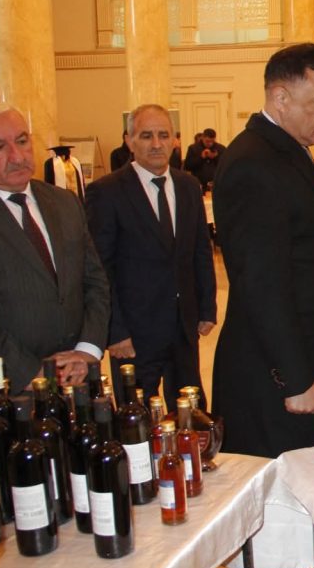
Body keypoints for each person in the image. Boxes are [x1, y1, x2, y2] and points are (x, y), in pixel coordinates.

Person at [211, 43, 314, 463]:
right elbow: (261, 282)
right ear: (281, 97)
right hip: (277, 379)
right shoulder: (253, 163)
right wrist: (294, 377)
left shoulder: (286, 151)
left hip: (312, 358)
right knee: (282, 487)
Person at [85, 104, 217, 412]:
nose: (156, 144)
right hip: (134, 334)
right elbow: (100, 269)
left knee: (191, 411)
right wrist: (114, 330)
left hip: (182, 328)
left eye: (163, 135)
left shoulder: (187, 186)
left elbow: (200, 249)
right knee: (138, 416)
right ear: (129, 141)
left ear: (175, 140)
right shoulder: (106, 192)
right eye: (146, 136)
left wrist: (206, 306)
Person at [0, 101, 109, 390]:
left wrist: (87, 350)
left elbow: (95, 281)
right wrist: (32, 373)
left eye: (22, 141)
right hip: (8, 387)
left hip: (79, 375)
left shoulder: (64, 202)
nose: (17, 156)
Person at [183, 127, 225, 192]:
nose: (210, 144)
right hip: (199, 183)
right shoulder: (193, 148)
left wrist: (216, 157)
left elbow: (225, 165)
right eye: (207, 141)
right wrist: (201, 157)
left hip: (216, 183)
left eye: (212, 141)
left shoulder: (220, 148)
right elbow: (187, 166)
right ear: (202, 137)